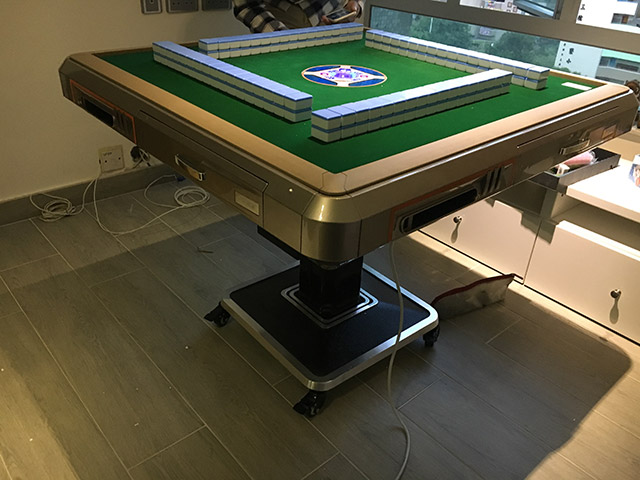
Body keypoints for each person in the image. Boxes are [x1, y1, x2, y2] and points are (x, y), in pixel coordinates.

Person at [232, 0, 365, 33]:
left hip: (337, 14)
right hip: (282, 20)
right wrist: (281, 37)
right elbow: (246, 5)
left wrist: (355, 4)